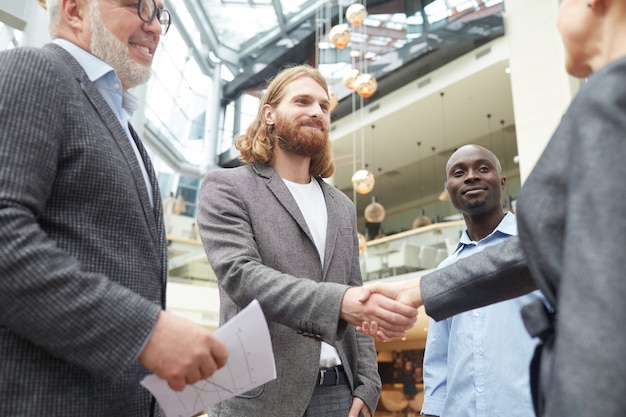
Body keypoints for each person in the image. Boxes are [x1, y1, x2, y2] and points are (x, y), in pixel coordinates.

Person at [360, 0, 626, 415]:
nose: (555, 20)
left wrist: (418, 291)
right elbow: (546, 248)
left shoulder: (611, 102)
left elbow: (542, 244)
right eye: (458, 172)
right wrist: (419, 290)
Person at [0, 0, 227, 416]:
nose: (156, 27)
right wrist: (145, 333)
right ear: (73, 10)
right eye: (140, 6)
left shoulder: (121, 121)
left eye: (162, 14)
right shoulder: (35, 70)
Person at [196, 64, 417, 417]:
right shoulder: (227, 187)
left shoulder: (341, 206)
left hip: (339, 394)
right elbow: (241, 276)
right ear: (269, 114)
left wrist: (368, 384)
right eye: (302, 101)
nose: (316, 112)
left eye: (324, 106)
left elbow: (354, 291)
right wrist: (339, 302)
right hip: (259, 396)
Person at [420, 145, 542, 417]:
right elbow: (439, 359)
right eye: (459, 172)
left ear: (501, 181)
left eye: (483, 168)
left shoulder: (538, 250)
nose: (471, 176)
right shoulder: (445, 271)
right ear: (449, 188)